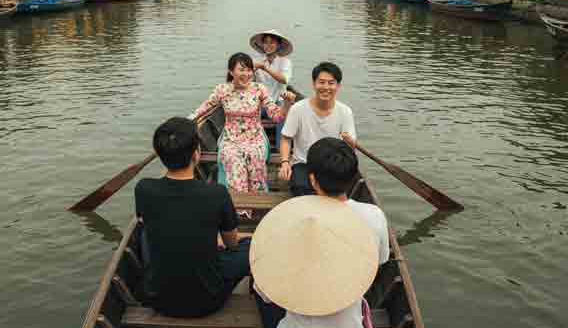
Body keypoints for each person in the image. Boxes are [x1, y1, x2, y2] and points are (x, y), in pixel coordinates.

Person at [251, 137, 389, 328]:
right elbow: (379, 262)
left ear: (312, 179)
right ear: (352, 178)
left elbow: (265, 292)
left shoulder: (288, 218)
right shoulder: (374, 216)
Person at [135, 117, 250, 318]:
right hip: (208, 301)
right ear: (196, 153)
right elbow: (231, 245)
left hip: (158, 299)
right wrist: (219, 239)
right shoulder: (217, 193)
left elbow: (147, 221)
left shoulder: (143, 188)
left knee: (145, 232)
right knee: (248, 245)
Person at [189, 53, 295, 203]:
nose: (246, 74)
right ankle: (240, 208)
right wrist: (188, 120)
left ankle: (257, 202)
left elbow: (277, 116)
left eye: (249, 70)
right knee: (232, 161)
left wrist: (287, 104)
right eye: (242, 70)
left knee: (255, 162)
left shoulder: (259, 89)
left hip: (255, 138)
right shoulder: (222, 90)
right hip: (230, 139)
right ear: (231, 72)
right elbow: (204, 108)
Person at [279, 62, 356, 197]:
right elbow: (286, 138)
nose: (326, 87)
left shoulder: (345, 112)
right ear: (314, 84)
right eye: (321, 82)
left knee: (338, 189)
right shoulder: (298, 109)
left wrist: (350, 143)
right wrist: (285, 162)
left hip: (331, 164)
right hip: (303, 163)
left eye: (331, 83)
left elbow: (349, 149)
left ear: (338, 86)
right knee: (300, 186)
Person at [250, 31, 294, 148]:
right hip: (261, 102)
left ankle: (281, 152)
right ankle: (253, 147)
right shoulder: (256, 61)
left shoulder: (285, 62)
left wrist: (265, 68)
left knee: (282, 117)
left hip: (279, 102)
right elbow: (249, 82)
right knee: (247, 114)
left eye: (272, 42)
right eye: (266, 42)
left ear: (278, 45)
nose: (268, 45)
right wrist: (251, 72)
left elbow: (284, 79)